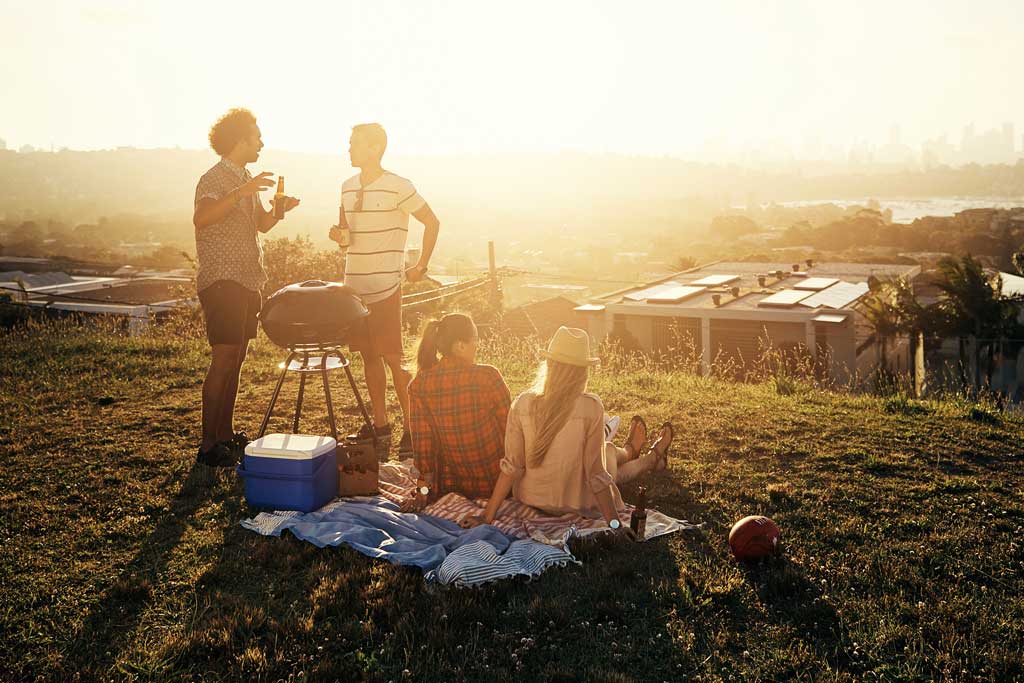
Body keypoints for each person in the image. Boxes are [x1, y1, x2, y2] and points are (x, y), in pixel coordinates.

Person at [460, 327, 673, 536]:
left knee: (607, 451)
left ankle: (636, 453)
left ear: (550, 364)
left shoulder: (523, 403)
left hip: (531, 499)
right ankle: (647, 458)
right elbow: (596, 474)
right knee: (606, 453)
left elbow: (511, 466)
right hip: (576, 502)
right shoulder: (590, 407)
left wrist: (487, 516)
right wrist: (615, 525)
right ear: (583, 371)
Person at [192, 108, 299, 466]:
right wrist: (242, 191)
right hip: (222, 279)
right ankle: (208, 446)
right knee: (223, 358)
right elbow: (203, 218)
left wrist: (278, 210)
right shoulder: (215, 178)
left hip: (248, 278)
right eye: (256, 137)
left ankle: (225, 434)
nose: (261, 143)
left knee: (235, 359)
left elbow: (262, 226)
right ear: (239, 140)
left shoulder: (245, 177)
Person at [329, 123, 440, 457]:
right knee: (368, 356)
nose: (348, 149)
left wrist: (420, 266)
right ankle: (380, 424)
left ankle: (411, 428)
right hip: (354, 290)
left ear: (375, 148)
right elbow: (345, 235)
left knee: (394, 359)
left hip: (386, 286)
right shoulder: (347, 187)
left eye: (354, 144)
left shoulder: (399, 186)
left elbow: (432, 222)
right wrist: (338, 236)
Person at [403, 314, 511, 511]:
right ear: (460, 345)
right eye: (475, 340)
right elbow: (511, 435)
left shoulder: (419, 384)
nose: (478, 345)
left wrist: (422, 493)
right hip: (498, 486)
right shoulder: (488, 377)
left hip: (452, 485)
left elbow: (423, 448)